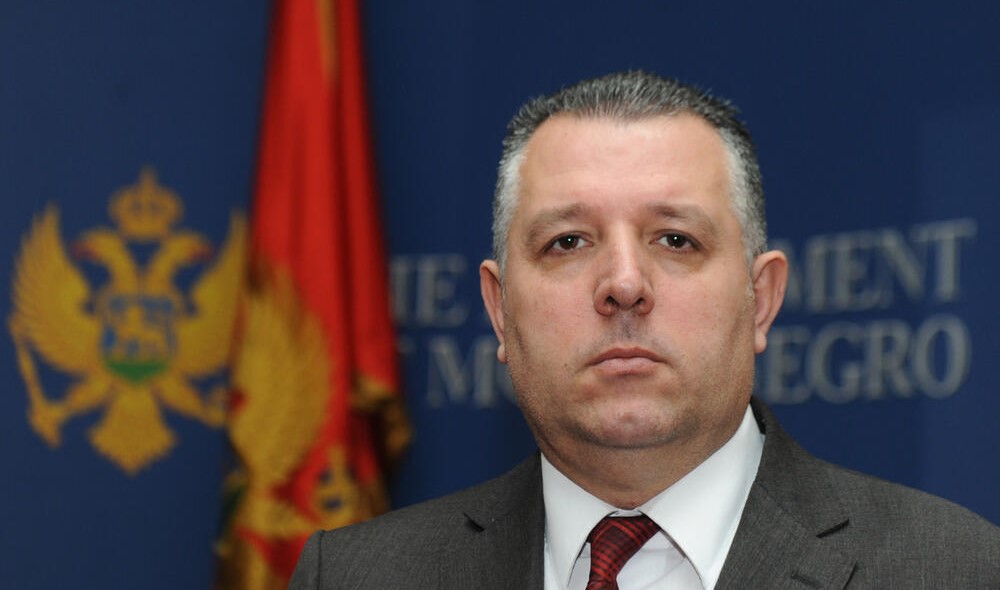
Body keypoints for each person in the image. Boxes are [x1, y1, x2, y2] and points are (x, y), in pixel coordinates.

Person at [289, 71, 1000, 589]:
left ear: (759, 300)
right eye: (568, 242)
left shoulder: (957, 571)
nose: (624, 283)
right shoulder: (354, 577)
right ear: (500, 310)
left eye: (675, 240)